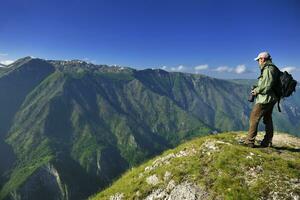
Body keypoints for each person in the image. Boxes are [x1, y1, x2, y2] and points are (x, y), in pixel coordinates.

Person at [244, 51, 279, 148]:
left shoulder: (268, 69)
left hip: (265, 99)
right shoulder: (272, 68)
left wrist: (256, 91)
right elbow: (267, 83)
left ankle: (249, 142)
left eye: (258, 60)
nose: (258, 62)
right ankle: (267, 141)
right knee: (267, 119)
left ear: (262, 59)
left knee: (253, 118)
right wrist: (257, 86)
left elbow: (267, 86)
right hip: (272, 98)